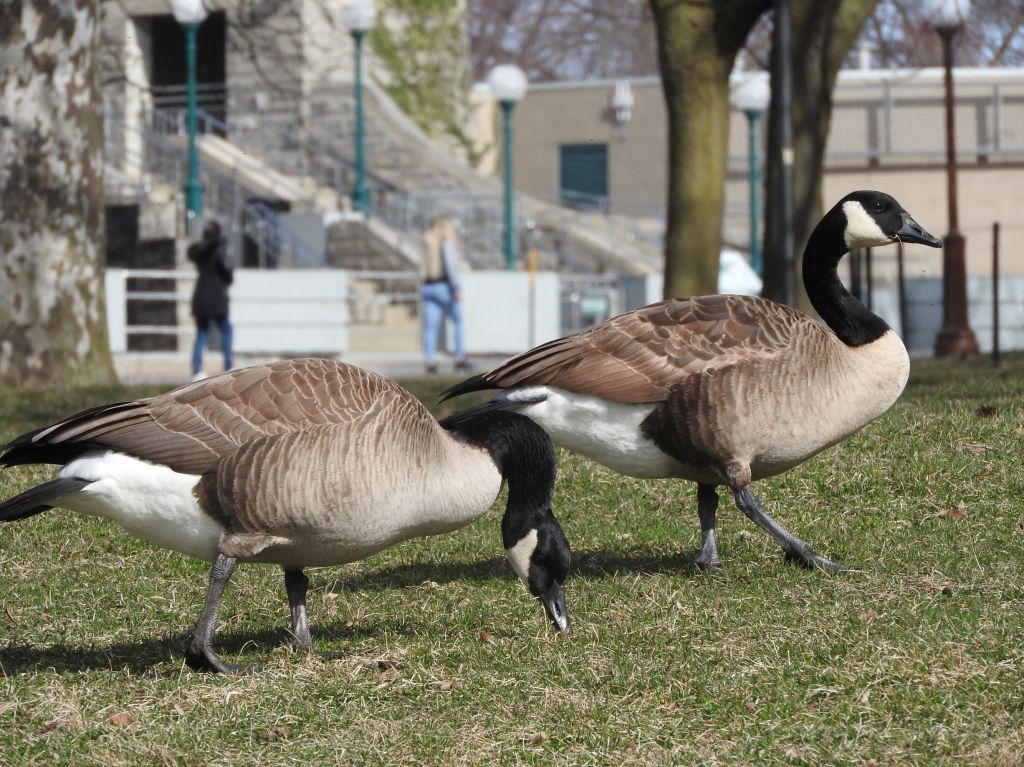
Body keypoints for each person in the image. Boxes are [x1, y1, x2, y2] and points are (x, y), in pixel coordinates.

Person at [420, 215, 469, 374]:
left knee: (430, 328)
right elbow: (450, 265)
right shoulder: (445, 241)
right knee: (458, 321)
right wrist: (456, 289)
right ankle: (460, 358)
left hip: (427, 286)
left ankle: (430, 361)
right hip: (444, 287)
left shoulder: (428, 239)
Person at [188, 220, 234, 380]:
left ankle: (196, 368)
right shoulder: (218, 249)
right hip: (217, 298)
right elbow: (227, 272)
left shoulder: (200, 250)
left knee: (202, 333)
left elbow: (191, 252)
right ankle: (228, 365)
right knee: (227, 330)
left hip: (201, 296)